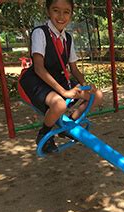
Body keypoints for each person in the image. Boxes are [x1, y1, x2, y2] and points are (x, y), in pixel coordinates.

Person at [19, 0, 103, 153]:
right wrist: (65, 93)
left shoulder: (68, 38)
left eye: (66, 12)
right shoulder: (40, 32)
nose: (61, 16)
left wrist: (85, 83)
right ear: (48, 11)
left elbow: (74, 69)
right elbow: (38, 68)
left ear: (71, 14)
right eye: (56, 10)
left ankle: (68, 125)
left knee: (96, 95)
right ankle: (44, 134)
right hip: (37, 79)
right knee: (59, 104)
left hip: (57, 79)